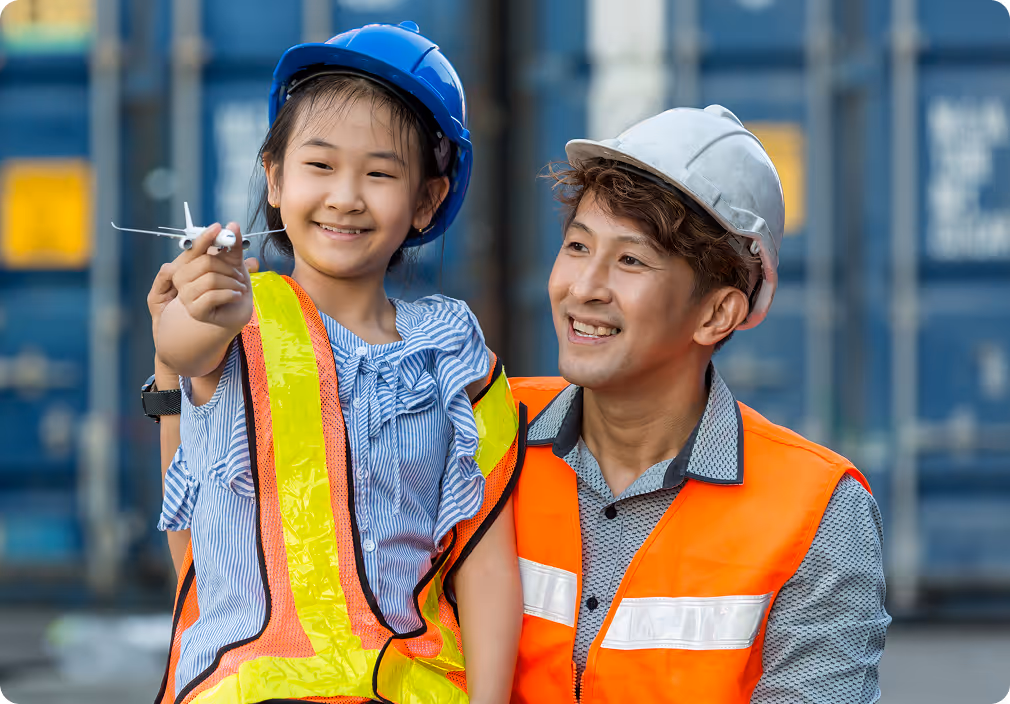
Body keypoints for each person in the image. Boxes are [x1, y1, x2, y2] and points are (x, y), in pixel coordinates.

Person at [144, 22, 522, 704]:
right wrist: (205, 309)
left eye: (379, 173)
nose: (346, 195)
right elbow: (182, 346)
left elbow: (486, 560)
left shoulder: (453, 350)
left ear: (426, 201)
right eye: (319, 166)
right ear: (275, 178)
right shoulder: (240, 310)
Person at [509, 105, 890, 703]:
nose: (583, 288)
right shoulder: (481, 435)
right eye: (578, 246)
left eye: (630, 260)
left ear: (717, 313)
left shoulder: (816, 513)